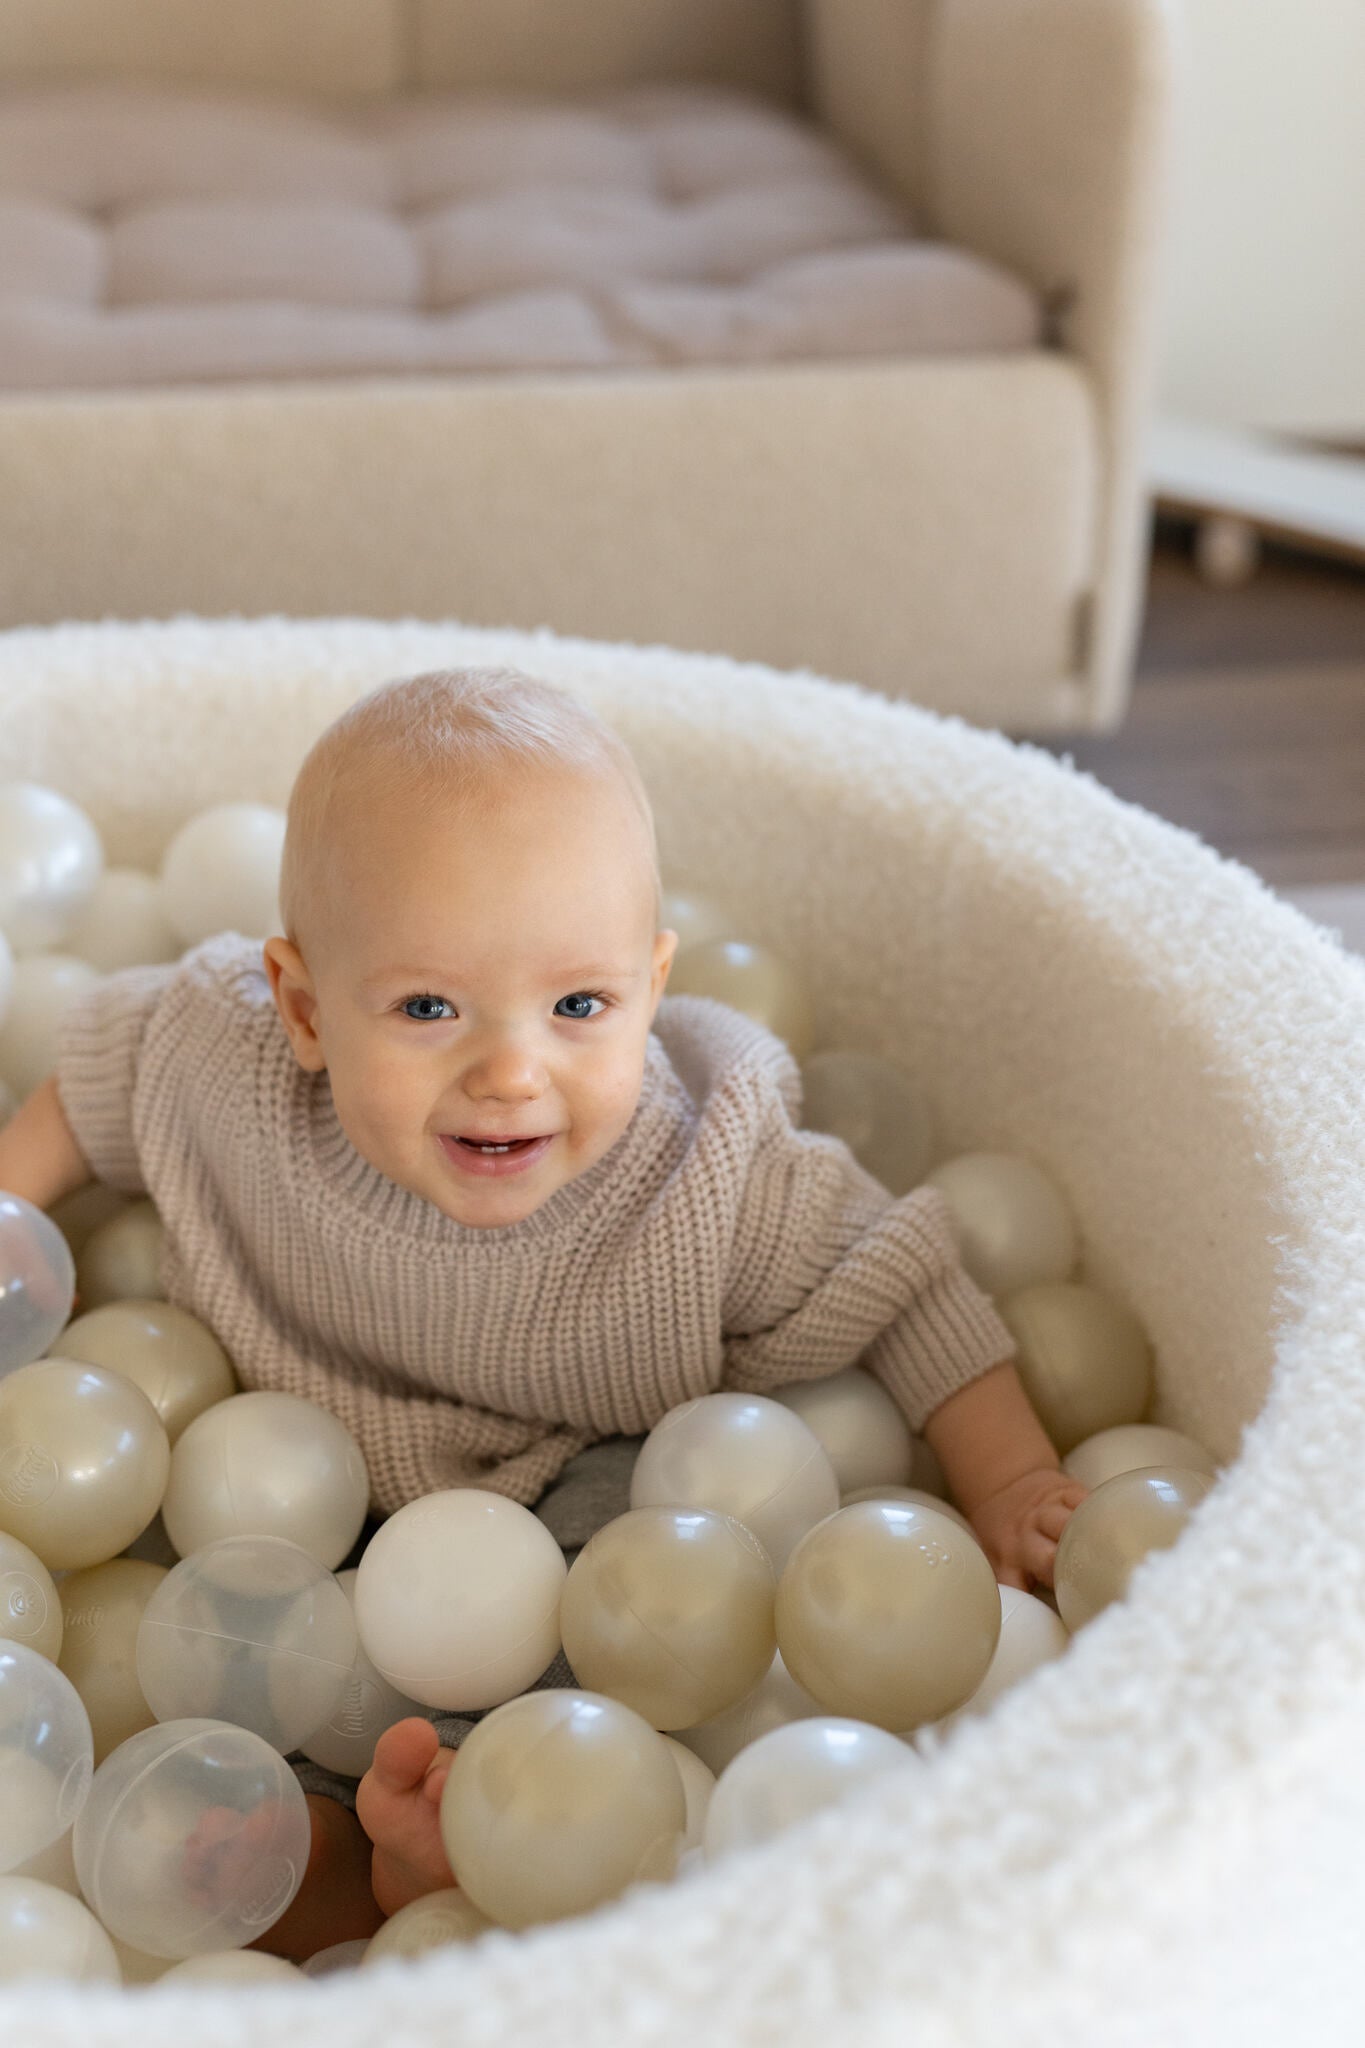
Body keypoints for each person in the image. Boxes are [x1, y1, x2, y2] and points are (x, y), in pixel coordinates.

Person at [0, 666, 1087, 1955]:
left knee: (615, 1625)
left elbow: (907, 1287)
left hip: (577, 1471)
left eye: (580, 1007)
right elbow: (96, 1077)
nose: (511, 1072)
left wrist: (1012, 1479)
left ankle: (457, 1827)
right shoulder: (225, 1065)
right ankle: (310, 1841)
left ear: (651, 982)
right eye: (427, 1008)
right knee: (212, 1634)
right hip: (282, 1459)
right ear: (300, 1008)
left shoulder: (710, 1186)